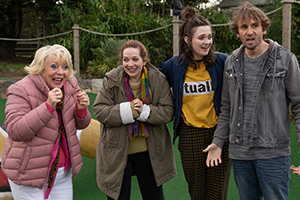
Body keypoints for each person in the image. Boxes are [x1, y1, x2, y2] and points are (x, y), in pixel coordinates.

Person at [204, 1, 300, 200]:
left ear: (264, 29)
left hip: (273, 153)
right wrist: (218, 141)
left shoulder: (286, 59)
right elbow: (227, 107)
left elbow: (299, 107)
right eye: (244, 27)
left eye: (255, 26)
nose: (250, 32)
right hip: (240, 154)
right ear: (237, 33)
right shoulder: (231, 62)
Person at [159, 6, 231, 200]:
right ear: (187, 40)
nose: (207, 42)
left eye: (209, 37)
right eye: (201, 38)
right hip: (190, 135)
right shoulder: (174, 65)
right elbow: (152, 79)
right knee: (197, 193)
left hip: (219, 133)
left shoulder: (223, 61)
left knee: (217, 194)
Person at [2, 44, 92, 200]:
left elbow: (82, 124)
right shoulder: (20, 89)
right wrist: (48, 107)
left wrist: (81, 110)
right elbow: (16, 131)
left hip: (61, 174)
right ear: (40, 68)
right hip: (27, 174)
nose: (61, 72)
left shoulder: (70, 85)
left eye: (65, 67)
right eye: (53, 66)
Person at [92, 40, 176, 200]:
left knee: (154, 196)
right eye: (126, 59)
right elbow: (100, 110)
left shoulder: (157, 79)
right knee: (118, 196)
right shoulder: (111, 79)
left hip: (149, 152)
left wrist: (144, 111)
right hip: (117, 150)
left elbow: (168, 111)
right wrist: (128, 110)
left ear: (144, 60)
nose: (130, 64)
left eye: (135, 59)